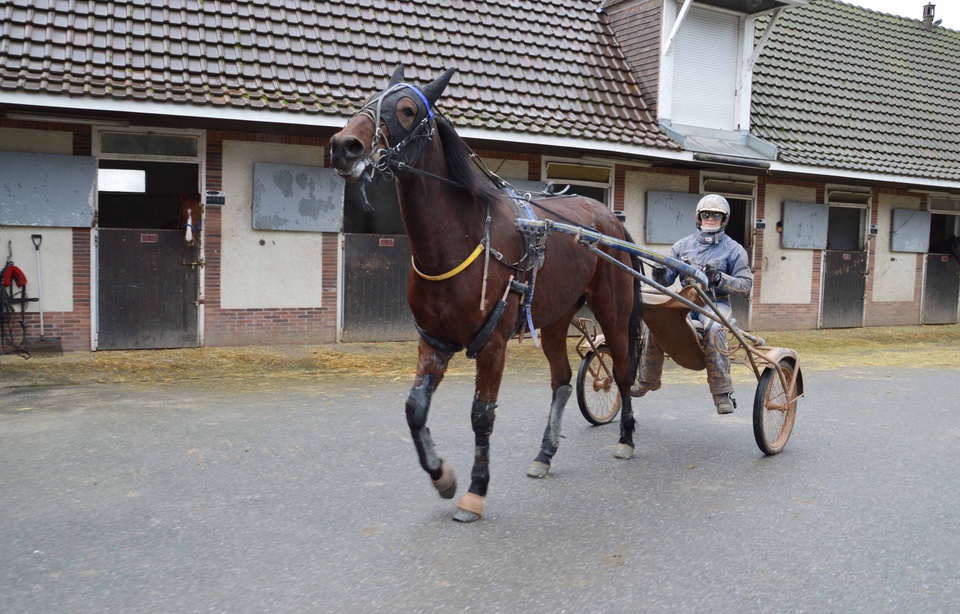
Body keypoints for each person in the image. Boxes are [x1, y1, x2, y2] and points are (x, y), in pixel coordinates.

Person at [631, 194, 753, 414]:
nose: (710, 219)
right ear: (699, 217)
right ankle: (648, 380)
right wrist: (659, 273)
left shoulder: (734, 250)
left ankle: (722, 393)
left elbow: (745, 285)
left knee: (716, 329)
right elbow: (667, 279)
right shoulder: (682, 246)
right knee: (656, 322)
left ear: (723, 220)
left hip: (714, 304)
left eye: (716, 216)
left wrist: (720, 279)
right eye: (706, 215)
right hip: (684, 300)